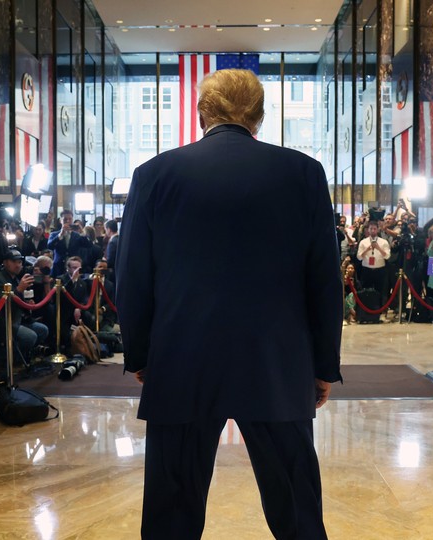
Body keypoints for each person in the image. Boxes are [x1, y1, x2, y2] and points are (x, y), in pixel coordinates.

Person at [117, 68, 342, 539]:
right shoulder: (303, 173)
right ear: (259, 115)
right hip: (276, 362)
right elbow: (323, 280)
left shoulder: (154, 175)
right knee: (297, 508)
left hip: (182, 360)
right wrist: (322, 364)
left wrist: (140, 354)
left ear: (201, 112)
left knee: (171, 512)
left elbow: (133, 276)